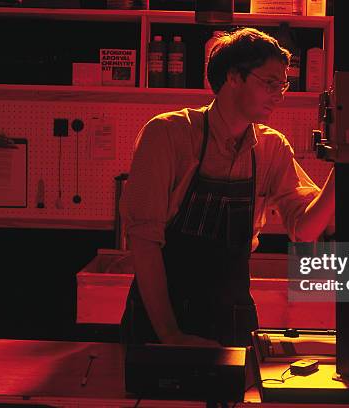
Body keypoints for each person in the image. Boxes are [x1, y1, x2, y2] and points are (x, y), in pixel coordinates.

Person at [119, 27, 335, 347]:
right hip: (163, 319)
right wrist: (170, 336)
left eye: (283, 84)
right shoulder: (169, 134)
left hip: (232, 317)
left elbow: (304, 230)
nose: (280, 93)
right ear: (234, 77)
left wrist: (346, 164)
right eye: (270, 82)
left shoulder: (271, 148)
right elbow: (144, 242)